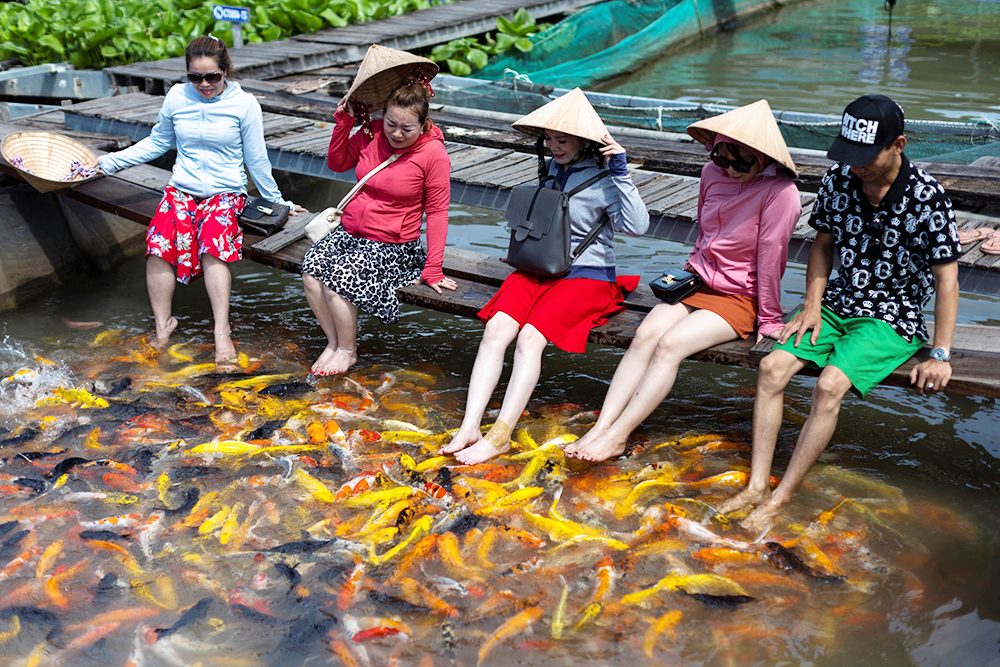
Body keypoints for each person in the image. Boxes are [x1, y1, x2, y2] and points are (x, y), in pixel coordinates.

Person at [719, 94, 961, 533]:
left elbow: (948, 280)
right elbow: (822, 246)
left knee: (829, 385)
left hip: (892, 317)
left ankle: (781, 496)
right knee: (772, 368)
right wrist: (812, 304)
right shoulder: (838, 180)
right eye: (848, 155)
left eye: (865, 157)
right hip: (836, 303)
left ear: (899, 145)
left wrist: (940, 353)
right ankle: (756, 484)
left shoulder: (928, 197)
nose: (856, 166)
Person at [566, 100, 802, 462]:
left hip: (740, 295)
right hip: (698, 279)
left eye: (742, 162)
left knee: (671, 344)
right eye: (722, 158)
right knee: (645, 334)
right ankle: (602, 427)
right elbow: (703, 232)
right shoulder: (711, 174)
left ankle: (619, 435)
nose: (730, 169)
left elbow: (772, 260)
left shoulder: (780, 193)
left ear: (764, 159)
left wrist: (769, 318)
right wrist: (689, 271)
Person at [443, 88, 650, 465]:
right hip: (538, 268)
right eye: (549, 139)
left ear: (584, 141)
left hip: (587, 276)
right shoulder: (550, 168)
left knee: (529, 338)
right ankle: (469, 427)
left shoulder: (607, 177)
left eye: (563, 139)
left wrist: (621, 171)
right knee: (496, 331)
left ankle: (501, 435)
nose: (554, 146)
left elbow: (637, 226)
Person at [97, 36, 299, 364]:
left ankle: (222, 332)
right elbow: (157, 141)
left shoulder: (245, 105)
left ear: (225, 72)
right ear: (187, 74)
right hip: (182, 190)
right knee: (158, 245)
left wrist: (278, 202)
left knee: (213, 245)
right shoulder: (177, 96)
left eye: (212, 77)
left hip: (225, 193)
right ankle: (163, 326)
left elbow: (257, 159)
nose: (203, 84)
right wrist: (109, 162)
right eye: (195, 77)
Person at [301, 46, 455, 376]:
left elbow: (439, 212)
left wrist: (434, 268)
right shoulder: (371, 133)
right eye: (391, 124)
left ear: (423, 123)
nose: (397, 134)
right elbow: (338, 163)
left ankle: (347, 350)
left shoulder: (434, 156)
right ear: (383, 115)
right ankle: (333, 342)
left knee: (337, 282)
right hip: (351, 231)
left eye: (407, 128)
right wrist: (343, 123)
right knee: (312, 272)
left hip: (393, 244)